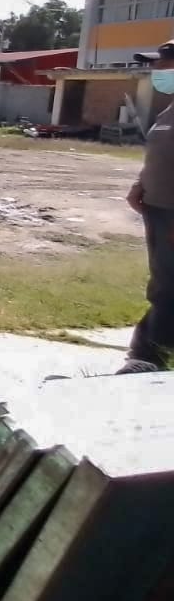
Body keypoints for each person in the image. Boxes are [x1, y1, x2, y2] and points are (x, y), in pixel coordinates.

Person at [121, 40, 174, 373]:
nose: (156, 71)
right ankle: (147, 350)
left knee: (168, 287)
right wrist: (141, 184)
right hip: (158, 209)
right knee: (163, 282)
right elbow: (161, 153)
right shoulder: (169, 110)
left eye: (164, 65)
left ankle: (150, 355)